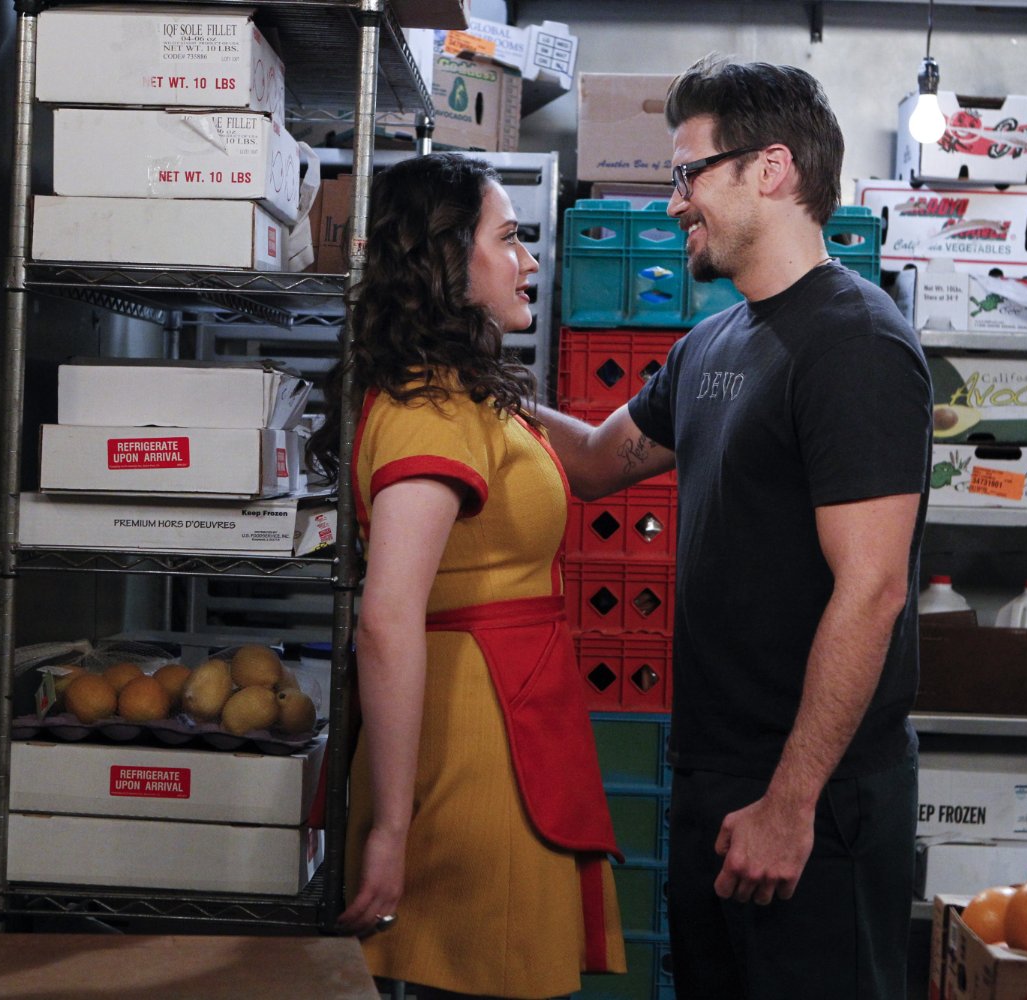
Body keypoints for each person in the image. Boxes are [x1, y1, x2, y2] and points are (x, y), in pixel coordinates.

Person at [539, 57, 932, 999]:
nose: (674, 202)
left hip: (811, 796)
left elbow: (873, 589)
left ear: (772, 168)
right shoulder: (712, 344)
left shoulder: (857, 343)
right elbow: (592, 462)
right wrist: (475, 385)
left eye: (688, 174)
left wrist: (790, 804)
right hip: (713, 776)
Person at [312, 152, 626, 999]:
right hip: (472, 758)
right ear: (449, 258)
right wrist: (392, 829)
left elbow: (601, 456)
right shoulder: (432, 408)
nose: (529, 261)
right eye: (509, 238)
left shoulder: (464, 393)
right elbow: (387, 618)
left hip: (506, 729)